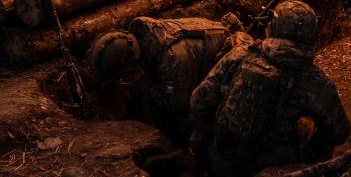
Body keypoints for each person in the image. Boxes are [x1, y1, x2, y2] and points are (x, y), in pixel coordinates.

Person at [188, 0, 349, 177]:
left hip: (220, 161)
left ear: (273, 27)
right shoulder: (315, 80)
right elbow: (339, 133)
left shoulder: (240, 55)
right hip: (274, 170)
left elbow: (199, 101)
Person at [86, 13, 251, 142]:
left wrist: (146, 84)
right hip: (205, 55)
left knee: (193, 121)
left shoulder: (172, 60)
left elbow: (179, 105)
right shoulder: (143, 33)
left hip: (235, 65)